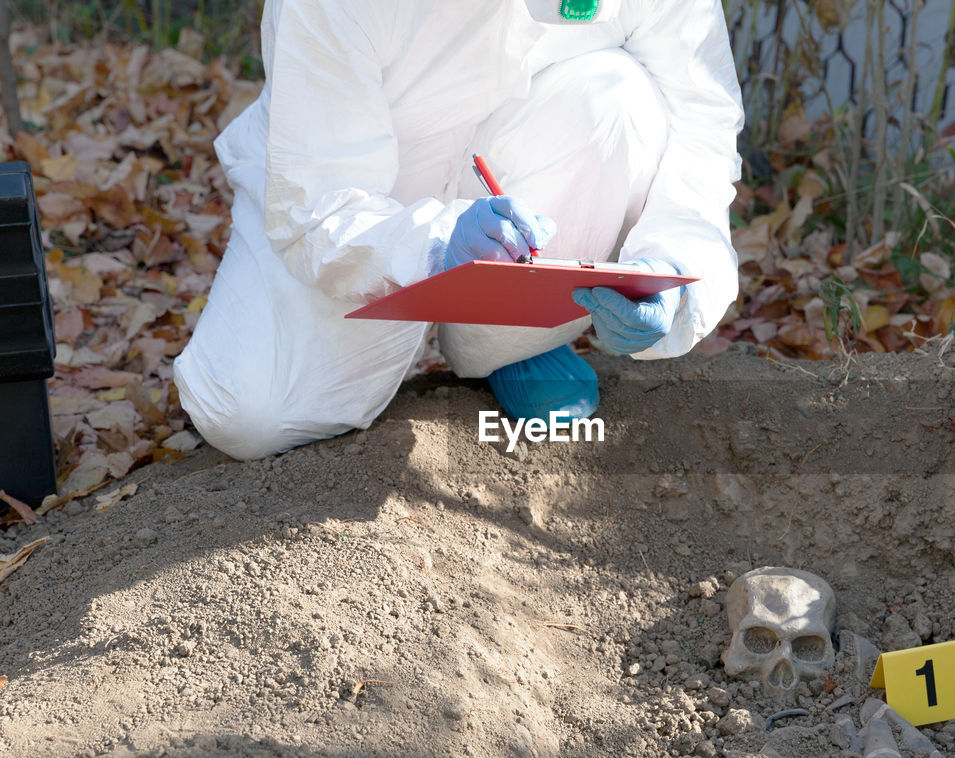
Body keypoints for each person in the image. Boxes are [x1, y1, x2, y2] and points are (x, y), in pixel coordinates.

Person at [174, 0, 744, 460]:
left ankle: (513, 345)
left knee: (618, 97)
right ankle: (413, 311)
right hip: (360, 193)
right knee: (253, 412)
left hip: (528, 150)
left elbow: (703, 121)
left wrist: (674, 267)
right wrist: (434, 246)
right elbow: (319, 204)